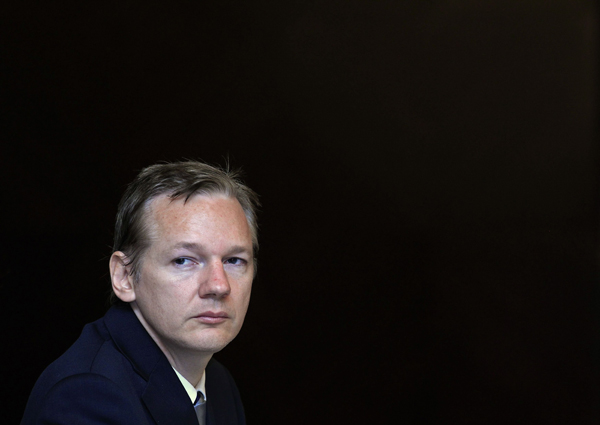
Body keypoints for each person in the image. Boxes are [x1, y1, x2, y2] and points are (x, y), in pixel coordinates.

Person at [21, 161, 259, 425]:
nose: (218, 285)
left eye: (234, 261)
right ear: (124, 277)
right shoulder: (87, 396)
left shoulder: (218, 383)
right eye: (183, 260)